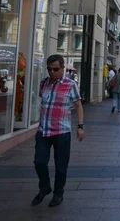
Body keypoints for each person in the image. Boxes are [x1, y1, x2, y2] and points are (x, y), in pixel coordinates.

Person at [32, 54, 84, 208]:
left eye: (55, 69)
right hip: (44, 131)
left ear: (62, 68)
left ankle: (58, 193)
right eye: (49, 69)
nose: (52, 72)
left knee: (61, 166)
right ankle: (45, 187)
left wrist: (80, 126)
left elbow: (78, 105)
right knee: (39, 162)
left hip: (62, 132)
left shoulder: (70, 84)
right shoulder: (44, 83)